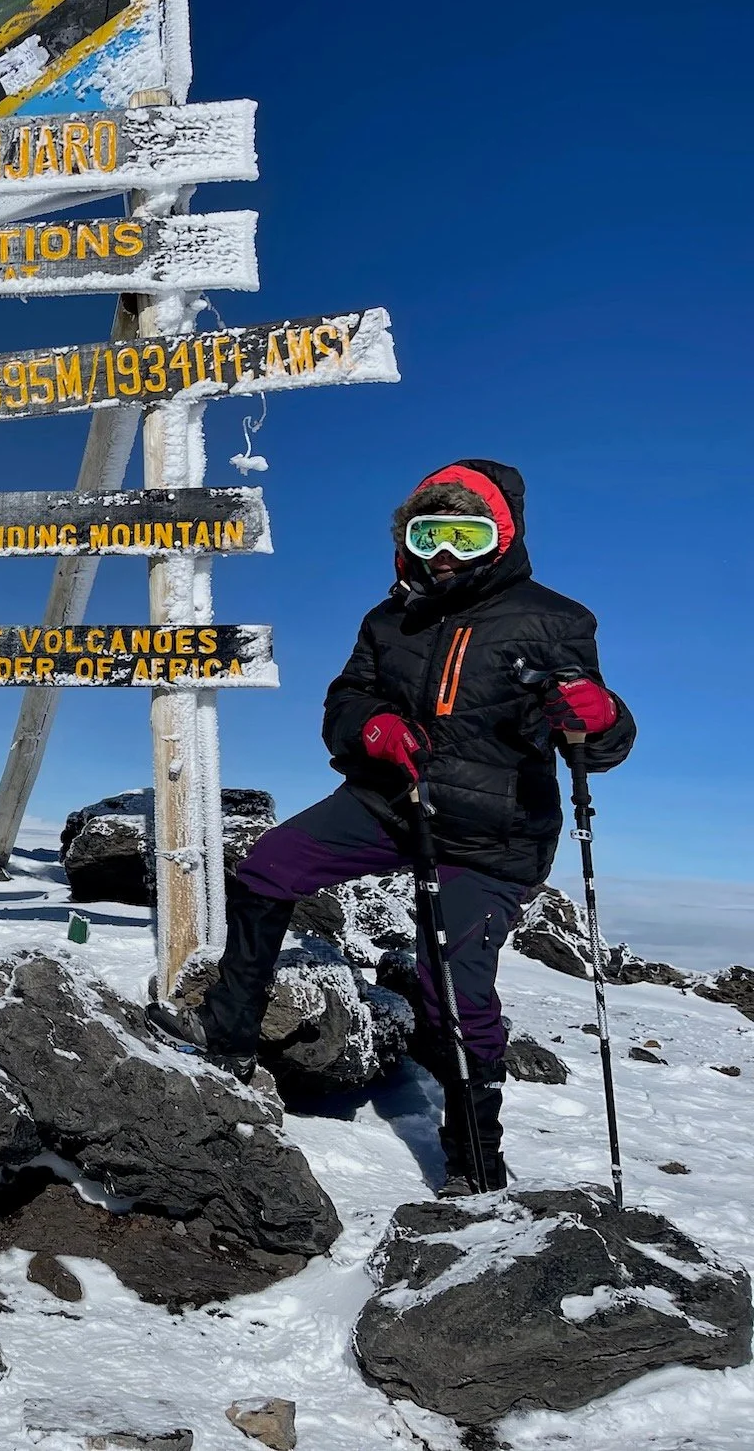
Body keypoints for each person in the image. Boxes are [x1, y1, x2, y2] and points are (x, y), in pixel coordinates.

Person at [153, 459, 634, 1197]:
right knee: (267, 870)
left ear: (499, 540)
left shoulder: (558, 619)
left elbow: (596, 739)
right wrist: (370, 727)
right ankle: (229, 1039)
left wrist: (596, 719)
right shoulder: (388, 619)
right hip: (388, 801)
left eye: (466, 536)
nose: (445, 552)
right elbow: (345, 701)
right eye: (430, 532)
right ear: (407, 539)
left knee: (457, 994)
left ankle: (476, 1167)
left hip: (492, 834)